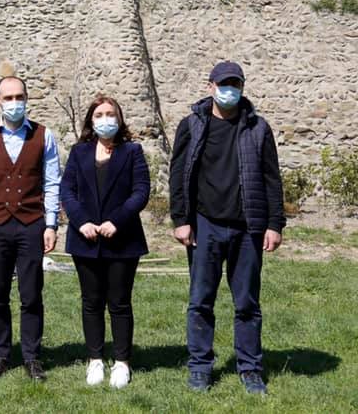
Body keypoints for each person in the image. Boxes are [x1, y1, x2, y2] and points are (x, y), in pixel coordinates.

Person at [170, 61, 285, 396]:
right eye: (223, 84)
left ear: (242, 88)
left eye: (235, 84)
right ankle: (200, 367)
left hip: (248, 227)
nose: (229, 90)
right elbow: (178, 175)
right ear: (210, 86)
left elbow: (271, 178)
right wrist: (181, 220)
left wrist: (274, 224)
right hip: (204, 225)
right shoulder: (192, 125)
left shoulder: (258, 128)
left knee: (247, 304)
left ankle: (250, 369)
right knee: (200, 301)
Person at [0, 76, 62, 381]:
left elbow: (52, 182)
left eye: (19, 97)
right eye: (8, 98)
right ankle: (1, 354)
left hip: (31, 224)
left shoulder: (43, 136)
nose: (14, 103)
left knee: (31, 294)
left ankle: (32, 356)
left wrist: (51, 224)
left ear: (26, 99)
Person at [59, 95, 150, 389]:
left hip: (122, 239)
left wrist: (117, 221)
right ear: (91, 120)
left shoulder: (132, 151)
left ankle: (122, 362)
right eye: (99, 114)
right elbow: (67, 191)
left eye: (111, 114)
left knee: (120, 302)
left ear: (119, 118)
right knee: (91, 302)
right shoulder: (79, 152)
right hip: (85, 239)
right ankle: (95, 358)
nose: (105, 119)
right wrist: (81, 221)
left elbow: (141, 191)